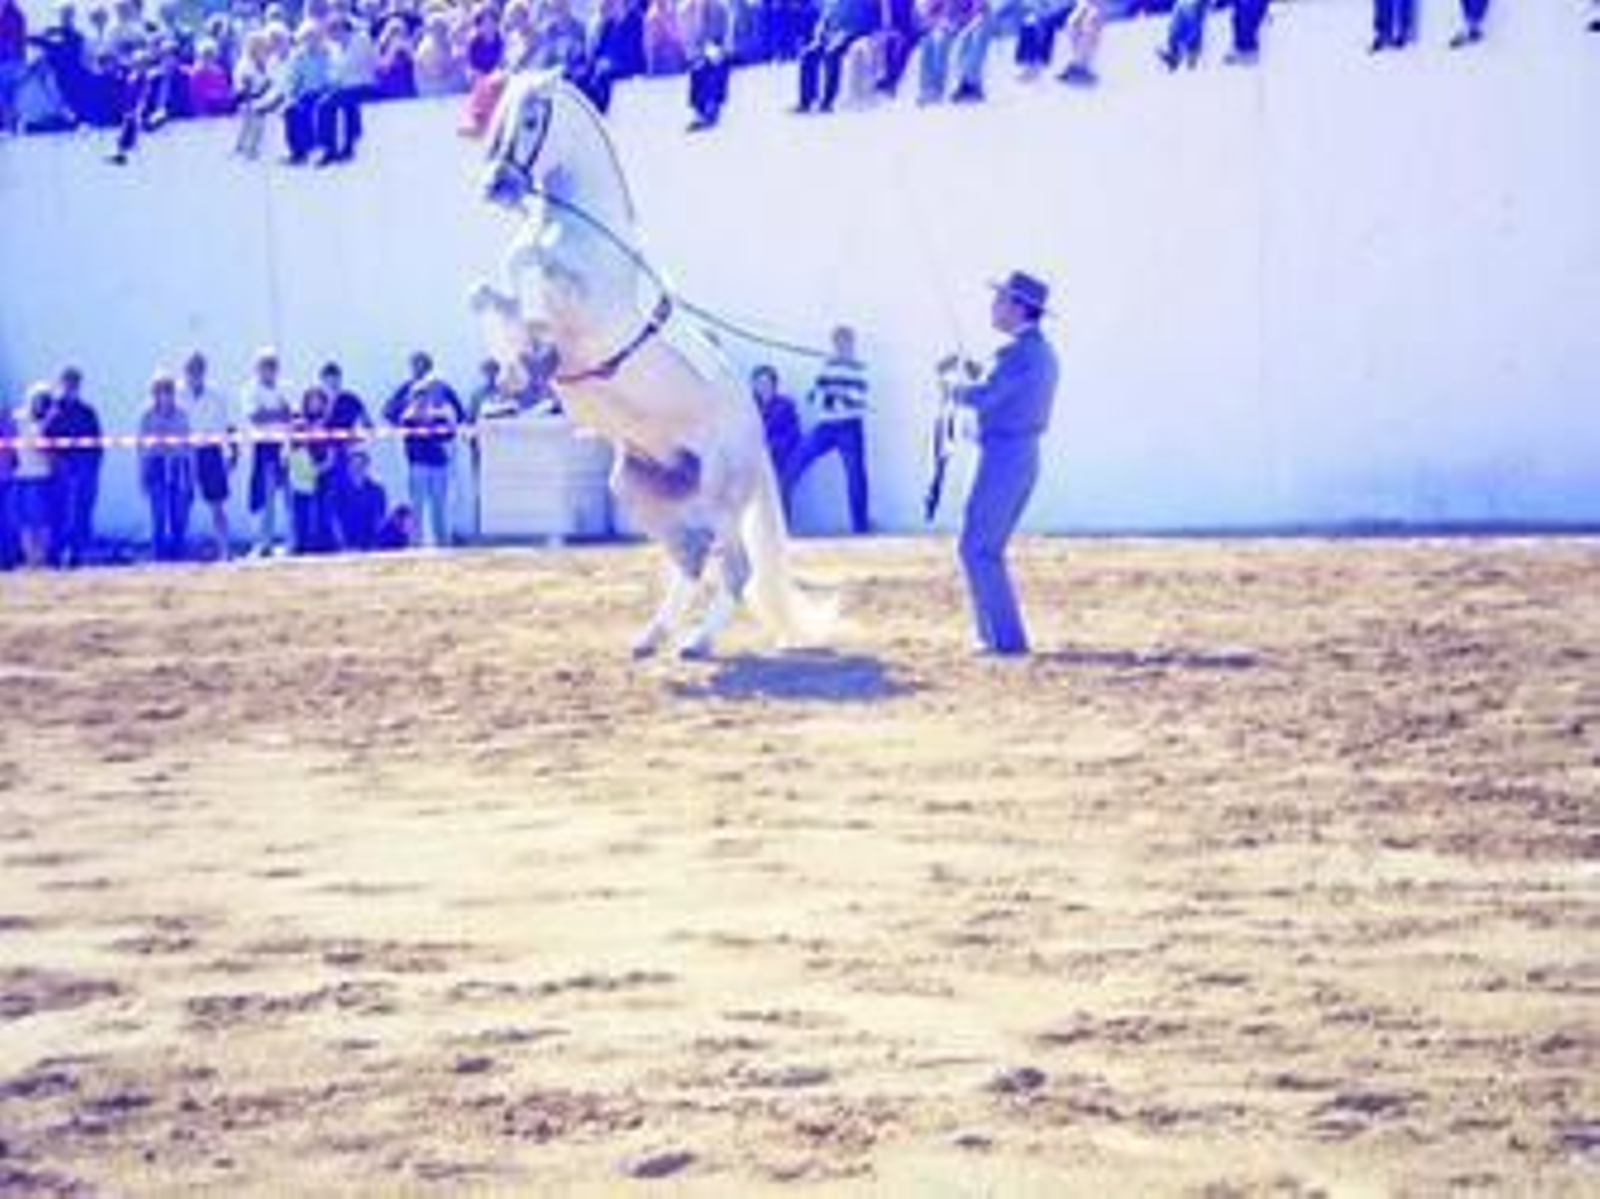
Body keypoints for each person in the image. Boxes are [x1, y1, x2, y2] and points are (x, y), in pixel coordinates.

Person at [948, 270, 1059, 657]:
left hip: (1004, 457)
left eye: (999, 300)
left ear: (1018, 308)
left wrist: (953, 389)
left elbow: (988, 396)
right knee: (981, 547)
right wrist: (976, 378)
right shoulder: (1034, 352)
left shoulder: (1017, 354)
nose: (993, 307)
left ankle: (1003, 641)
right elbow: (1003, 389)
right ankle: (996, 637)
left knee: (978, 548)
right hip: (1015, 455)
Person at [786, 325, 871, 533]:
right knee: (793, 465)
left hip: (850, 426)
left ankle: (860, 528)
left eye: (846, 343)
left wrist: (834, 394)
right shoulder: (826, 365)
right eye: (838, 343)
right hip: (826, 426)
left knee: (856, 478)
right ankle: (781, 521)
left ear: (852, 344)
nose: (842, 347)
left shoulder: (861, 368)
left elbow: (859, 400)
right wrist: (828, 392)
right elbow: (813, 395)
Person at [42, 365, 101, 568]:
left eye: (74, 383)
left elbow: (97, 442)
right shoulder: (53, 411)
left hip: (84, 470)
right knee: (59, 513)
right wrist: (56, 462)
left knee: (81, 513)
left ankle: (77, 554)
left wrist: (92, 468)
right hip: (61, 471)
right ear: (61, 384)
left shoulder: (87, 412)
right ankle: (55, 555)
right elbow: (45, 439)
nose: (71, 387)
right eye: (67, 383)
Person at [181, 350, 235, 561]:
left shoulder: (216, 396)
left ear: (204, 371)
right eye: (191, 369)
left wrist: (231, 454)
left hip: (211, 452)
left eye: (199, 369)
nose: (195, 373)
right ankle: (178, 549)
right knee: (183, 503)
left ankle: (225, 550)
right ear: (185, 371)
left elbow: (226, 426)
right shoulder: (178, 394)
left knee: (217, 505)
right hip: (185, 452)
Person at [136, 369, 194, 561]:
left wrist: (191, 478)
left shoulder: (182, 414)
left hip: (178, 466)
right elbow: (141, 447)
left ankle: (179, 555)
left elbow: (188, 445)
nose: (165, 394)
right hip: (156, 466)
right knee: (158, 515)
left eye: (168, 389)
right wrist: (142, 476)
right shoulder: (146, 415)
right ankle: (158, 557)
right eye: (161, 390)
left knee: (179, 515)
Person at [750, 363, 800, 507]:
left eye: (766, 383)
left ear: (774, 384)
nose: (762, 387)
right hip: (755, 463)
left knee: (779, 500)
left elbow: (794, 435)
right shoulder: (749, 406)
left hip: (779, 462)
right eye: (758, 383)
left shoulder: (786, 405)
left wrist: (772, 446)